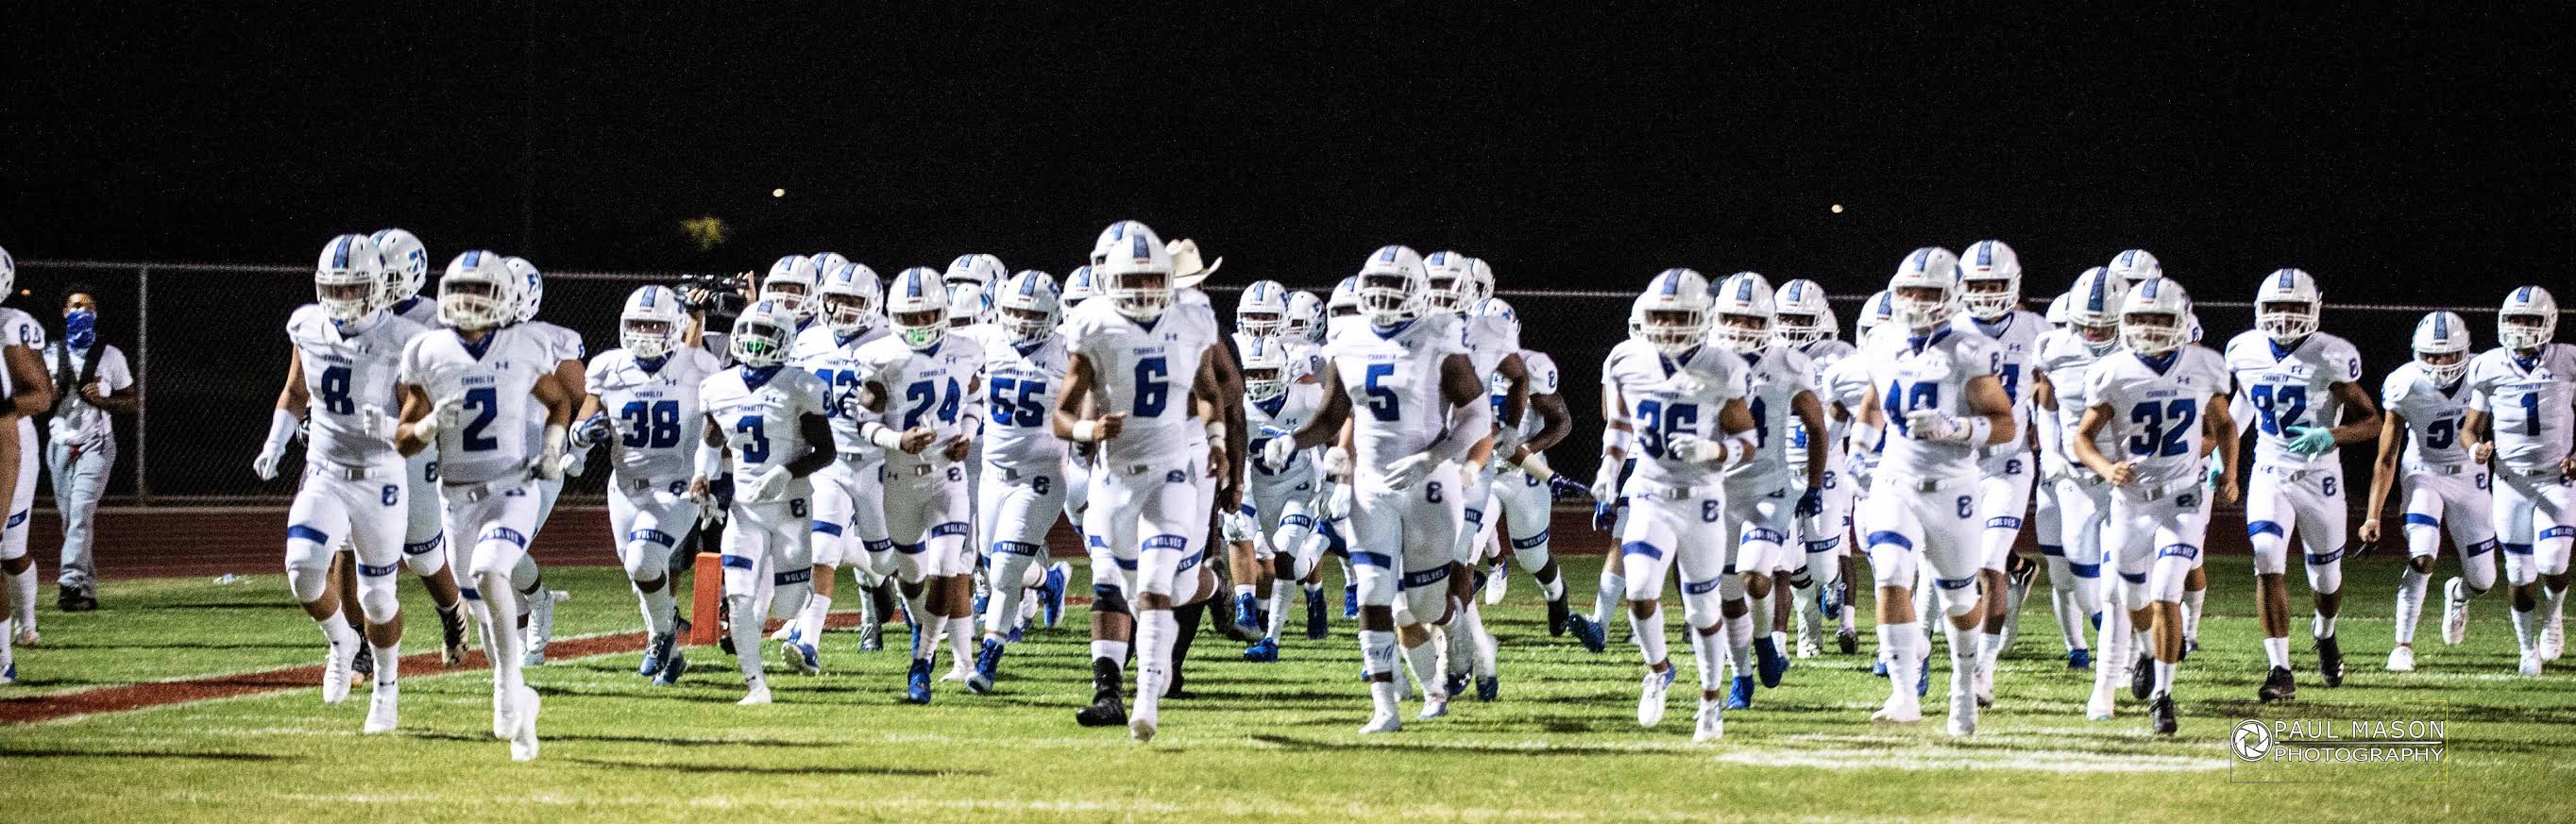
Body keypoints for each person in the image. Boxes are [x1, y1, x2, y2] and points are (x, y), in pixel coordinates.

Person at [1270, 244, 1490, 734]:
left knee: (1424, 605)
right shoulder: (1347, 337)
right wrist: (1293, 439)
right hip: (1371, 485)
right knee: (1375, 593)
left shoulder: (1437, 335)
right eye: (1378, 287)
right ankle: (1386, 708)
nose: (1385, 297)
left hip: (1428, 484)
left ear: (1417, 291)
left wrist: (1434, 456)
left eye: (1395, 287)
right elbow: (1332, 415)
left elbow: (1478, 415)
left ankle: (1454, 629)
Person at [395, 250, 577, 762]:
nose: (469, 301)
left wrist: (551, 448)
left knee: (490, 570)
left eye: (480, 290)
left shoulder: (524, 343)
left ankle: (505, 684)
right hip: (456, 498)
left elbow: (560, 401)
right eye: (461, 290)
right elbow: (402, 439)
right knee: (480, 606)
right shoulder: (427, 349)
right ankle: (522, 707)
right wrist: (430, 425)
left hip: (511, 487)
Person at [1058, 222, 1228, 742]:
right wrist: (1088, 430)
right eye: (1133, 280)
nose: (1144, 291)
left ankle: (1144, 703)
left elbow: (1211, 392)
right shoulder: (1094, 324)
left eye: (1153, 279)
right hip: (1115, 478)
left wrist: (1217, 441)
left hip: (1173, 470)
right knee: (1119, 584)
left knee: (1156, 585)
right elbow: (1062, 414)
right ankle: (1121, 683)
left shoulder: (1192, 317)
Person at [254, 235, 430, 732]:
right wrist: (275, 442)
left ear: (376, 288)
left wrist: (393, 428)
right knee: (302, 570)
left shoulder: (403, 338)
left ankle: (386, 688)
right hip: (325, 469)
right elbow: (295, 391)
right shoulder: (307, 324)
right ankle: (341, 641)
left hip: (380, 476)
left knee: (378, 598)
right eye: (333, 288)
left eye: (352, 288)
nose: (341, 299)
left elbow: (418, 409)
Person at [1854, 247, 2019, 735]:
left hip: (1953, 488)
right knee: (1890, 574)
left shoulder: (1970, 350)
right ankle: (1904, 694)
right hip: (1896, 480)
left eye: (1929, 293)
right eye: (1909, 291)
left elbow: (2006, 424)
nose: (1917, 301)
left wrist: (1958, 427)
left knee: (1957, 599)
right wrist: (1859, 451)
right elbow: (1872, 405)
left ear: (1952, 296)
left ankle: (1964, 686)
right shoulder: (1881, 341)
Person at [1597, 268, 1759, 741]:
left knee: (1703, 610)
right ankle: (1658, 670)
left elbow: (1748, 442)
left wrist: (1714, 450)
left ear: (1702, 317)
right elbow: (1620, 424)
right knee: (1640, 591)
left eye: (1679, 316)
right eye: (1660, 316)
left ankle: (1710, 701)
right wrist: (1609, 469)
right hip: (1649, 492)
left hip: (1701, 499)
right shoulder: (1626, 358)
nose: (1667, 325)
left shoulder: (1723, 366)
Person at [2068, 277, 2236, 735]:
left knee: (2166, 591)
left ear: (2180, 321)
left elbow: (2225, 425)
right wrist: (2106, 468)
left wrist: (2230, 472)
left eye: (2159, 318)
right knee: (2133, 598)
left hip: (2182, 498)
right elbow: (2081, 438)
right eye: (2140, 318)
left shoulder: (2203, 365)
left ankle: (2163, 695)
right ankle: (2146, 649)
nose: (2149, 327)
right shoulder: (2114, 370)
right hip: (2131, 503)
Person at [2223, 268, 2379, 700]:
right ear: (2260, 309)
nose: (2284, 316)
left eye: (2294, 307)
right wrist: (2219, 459)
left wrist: (2331, 435)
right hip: (2270, 470)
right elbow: (2243, 404)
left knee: (2326, 580)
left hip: (2320, 475)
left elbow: (2372, 422)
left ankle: (2325, 633)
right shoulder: (2244, 349)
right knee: (2266, 558)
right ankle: (2280, 669)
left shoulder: (2331, 354)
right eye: (2276, 307)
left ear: (2314, 309)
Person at [574, 285, 720, 685]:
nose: (645, 333)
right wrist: (580, 435)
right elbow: (586, 415)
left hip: (677, 484)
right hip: (624, 487)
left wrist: (709, 472)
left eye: (654, 325)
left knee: (643, 560)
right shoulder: (608, 366)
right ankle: (672, 655)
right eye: (638, 324)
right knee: (640, 573)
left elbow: (714, 426)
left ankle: (659, 636)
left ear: (674, 327)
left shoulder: (698, 366)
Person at [853, 268, 985, 705]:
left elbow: (975, 400)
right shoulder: (881, 356)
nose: (920, 324)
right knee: (912, 577)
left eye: (927, 314)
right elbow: (864, 421)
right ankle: (918, 623)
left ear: (943, 311)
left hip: (948, 476)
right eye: (910, 317)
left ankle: (921, 662)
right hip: (900, 480)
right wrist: (898, 440)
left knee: (948, 568)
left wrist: (967, 433)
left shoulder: (965, 350)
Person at [694, 300, 835, 704]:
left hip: (791, 506)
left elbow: (826, 452)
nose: (755, 342)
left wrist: (786, 472)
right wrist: (701, 478)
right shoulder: (718, 387)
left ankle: (800, 603)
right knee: (738, 595)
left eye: (766, 335)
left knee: (791, 602)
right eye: (750, 333)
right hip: (745, 509)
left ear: (785, 340)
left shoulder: (802, 385)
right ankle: (756, 685)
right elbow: (711, 441)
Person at [1705, 273, 1826, 710]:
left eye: (1752, 321)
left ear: (1768, 323)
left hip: (1767, 487)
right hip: (1719, 491)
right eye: (1733, 319)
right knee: (1728, 596)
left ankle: (1763, 642)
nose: (1741, 329)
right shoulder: (1702, 360)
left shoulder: (1789, 364)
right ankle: (1742, 676)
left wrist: (1814, 485)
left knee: (1755, 576)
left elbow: (1816, 426)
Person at [2359, 311, 2497, 671]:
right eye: (2432, 356)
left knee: (2483, 580)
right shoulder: (2404, 383)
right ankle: (2402, 646)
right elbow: (2386, 457)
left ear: (2465, 351)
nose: (2440, 364)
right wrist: (2373, 515)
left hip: (2470, 475)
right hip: (2424, 472)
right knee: (2422, 555)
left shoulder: (2484, 371)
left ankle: (2458, 593)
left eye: (2448, 354)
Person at [782, 261, 898, 663]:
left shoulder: (891, 341)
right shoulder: (809, 340)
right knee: (821, 549)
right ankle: (808, 641)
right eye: (835, 299)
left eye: (853, 301)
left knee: (884, 558)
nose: (842, 309)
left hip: (876, 462)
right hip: (828, 462)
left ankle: (880, 576)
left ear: (874, 304)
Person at [365, 227, 471, 666]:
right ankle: (358, 648)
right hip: (360, 444)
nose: (378, 286)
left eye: (387, 276)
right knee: (348, 547)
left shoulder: (434, 319)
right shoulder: (357, 313)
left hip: (413, 442)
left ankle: (452, 610)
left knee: (423, 555)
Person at [1949, 241, 2047, 707]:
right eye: (1978, 285)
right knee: (1958, 569)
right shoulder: (1948, 329)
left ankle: (1983, 670)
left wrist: (2046, 423)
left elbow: (2059, 383)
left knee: (1990, 563)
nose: (1987, 294)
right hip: (1958, 462)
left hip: (2008, 462)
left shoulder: (2037, 330)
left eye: (1995, 285)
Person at [2462, 286, 2575, 676]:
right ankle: (2527, 648)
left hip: (2556, 478)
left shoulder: (2567, 360)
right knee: (2519, 572)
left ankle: (2553, 617)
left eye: (2530, 319)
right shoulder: (2488, 365)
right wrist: (2474, 450)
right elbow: (2469, 430)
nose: (2521, 327)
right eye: (2514, 319)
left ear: (2549, 322)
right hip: (2511, 482)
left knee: (2553, 561)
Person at [971, 270, 1073, 693]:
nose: (1021, 321)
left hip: (1040, 478)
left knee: (1004, 571)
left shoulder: (1069, 350)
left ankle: (987, 661)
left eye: (1032, 314)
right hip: (992, 476)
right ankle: (1050, 580)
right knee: (993, 562)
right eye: (1013, 312)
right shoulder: (985, 340)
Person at [2032, 269, 2128, 679]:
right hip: (2076, 477)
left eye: (2104, 324)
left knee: (2122, 576)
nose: (2094, 332)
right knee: (2085, 585)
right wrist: (2050, 451)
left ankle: (2127, 657)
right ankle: (2116, 642)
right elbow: (2048, 406)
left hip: (2126, 477)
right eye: (2087, 324)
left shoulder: (2137, 350)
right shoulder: (2053, 348)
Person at [503, 258, 586, 666]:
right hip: (484, 459)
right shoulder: (468, 338)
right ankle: (525, 638)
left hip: (537, 460)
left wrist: (575, 448)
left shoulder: (553, 340)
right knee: (487, 558)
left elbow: (582, 400)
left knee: (507, 547)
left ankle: (537, 604)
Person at [1773, 278, 1861, 656]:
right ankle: (1797, 637)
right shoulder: (1767, 352)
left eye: (1801, 318)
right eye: (1786, 317)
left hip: (1826, 470)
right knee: (1786, 561)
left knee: (1825, 567)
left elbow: (1859, 407)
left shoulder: (1839, 355)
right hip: (1779, 469)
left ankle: (1834, 586)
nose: (1792, 326)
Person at [42, 282, 135, 611]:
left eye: (89, 306)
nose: (82, 311)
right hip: (60, 443)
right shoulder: (49, 353)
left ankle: (69, 585)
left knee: (81, 513)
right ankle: (86, 590)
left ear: (96, 314)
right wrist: (49, 394)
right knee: (71, 520)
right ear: (64, 312)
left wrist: (105, 400)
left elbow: (132, 401)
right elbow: (36, 400)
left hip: (97, 443)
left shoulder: (110, 355)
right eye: (76, 306)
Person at [0, 244, 54, 669]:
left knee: (11, 552)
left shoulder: (11, 326)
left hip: (9, 441)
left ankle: (27, 625)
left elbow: (40, 395)